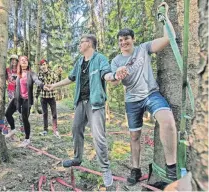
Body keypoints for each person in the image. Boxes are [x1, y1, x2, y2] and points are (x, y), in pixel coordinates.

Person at [111, 2, 178, 185]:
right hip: (132, 101)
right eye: (121, 41)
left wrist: (164, 16)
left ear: (133, 39)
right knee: (134, 136)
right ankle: (135, 169)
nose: (123, 43)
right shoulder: (116, 60)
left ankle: (171, 167)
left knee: (168, 121)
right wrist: (117, 75)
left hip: (151, 94)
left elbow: (168, 38)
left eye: (126, 39)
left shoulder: (143, 49)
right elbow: (114, 81)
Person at [45, 34, 124, 187]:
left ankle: (106, 170)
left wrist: (114, 76)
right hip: (81, 102)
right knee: (75, 129)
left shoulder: (100, 58)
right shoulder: (80, 61)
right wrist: (53, 86)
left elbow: (106, 74)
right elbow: (71, 78)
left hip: (95, 103)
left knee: (98, 137)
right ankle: (77, 158)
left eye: (81, 42)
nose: (79, 45)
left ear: (89, 43)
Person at [4, 56, 46, 147]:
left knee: (24, 118)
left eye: (25, 60)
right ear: (19, 63)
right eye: (21, 60)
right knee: (7, 113)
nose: (23, 61)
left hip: (27, 100)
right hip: (17, 98)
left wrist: (43, 86)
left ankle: (27, 139)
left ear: (28, 63)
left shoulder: (31, 73)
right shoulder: (18, 74)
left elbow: (36, 80)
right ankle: (13, 129)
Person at [35, 59, 60, 137]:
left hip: (51, 96)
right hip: (43, 97)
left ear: (47, 65)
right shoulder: (39, 75)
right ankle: (45, 130)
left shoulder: (52, 73)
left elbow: (58, 81)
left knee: (54, 114)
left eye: (44, 64)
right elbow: (38, 86)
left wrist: (59, 74)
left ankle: (55, 130)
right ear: (40, 66)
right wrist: (36, 96)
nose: (43, 66)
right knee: (45, 114)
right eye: (42, 65)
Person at [2, 54, 24, 135]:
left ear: (17, 62)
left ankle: (22, 126)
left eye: (15, 60)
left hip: (18, 92)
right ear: (10, 61)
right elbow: (4, 79)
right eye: (12, 60)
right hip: (10, 92)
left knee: (19, 110)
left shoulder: (20, 70)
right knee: (8, 109)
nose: (14, 61)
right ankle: (5, 126)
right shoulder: (7, 70)